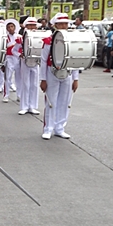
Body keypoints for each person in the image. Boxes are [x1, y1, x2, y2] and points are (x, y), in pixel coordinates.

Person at [40, 12, 79, 140]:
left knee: (64, 101)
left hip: (67, 73)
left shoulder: (72, 39)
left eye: (65, 23)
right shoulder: (49, 41)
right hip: (52, 73)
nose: (63, 25)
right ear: (55, 25)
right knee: (51, 102)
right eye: (60, 23)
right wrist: (43, 79)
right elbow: (43, 60)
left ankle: (60, 128)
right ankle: (48, 128)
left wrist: (75, 78)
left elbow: (75, 59)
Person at [18, 17, 40, 115]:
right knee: (25, 84)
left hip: (36, 62)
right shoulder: (21, 37)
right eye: (30, 25)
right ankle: (24, 106)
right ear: (26, 26)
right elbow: (15, 50)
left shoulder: (40, 37)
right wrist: (20, 54)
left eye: (33, 25)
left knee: (34, 85)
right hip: (25, 62)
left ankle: (32, 106)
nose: (32, 27)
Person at [3, 18, 22, 103]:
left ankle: (19, 95)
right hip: (8, 58)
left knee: (18, 78)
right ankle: (6, 95)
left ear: (15, 27)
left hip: (17, 59)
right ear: (6, 29)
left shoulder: (19, 37)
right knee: (8, 77)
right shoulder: (5, 38)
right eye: (9, 27)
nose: (10, 28)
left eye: (12, 26)